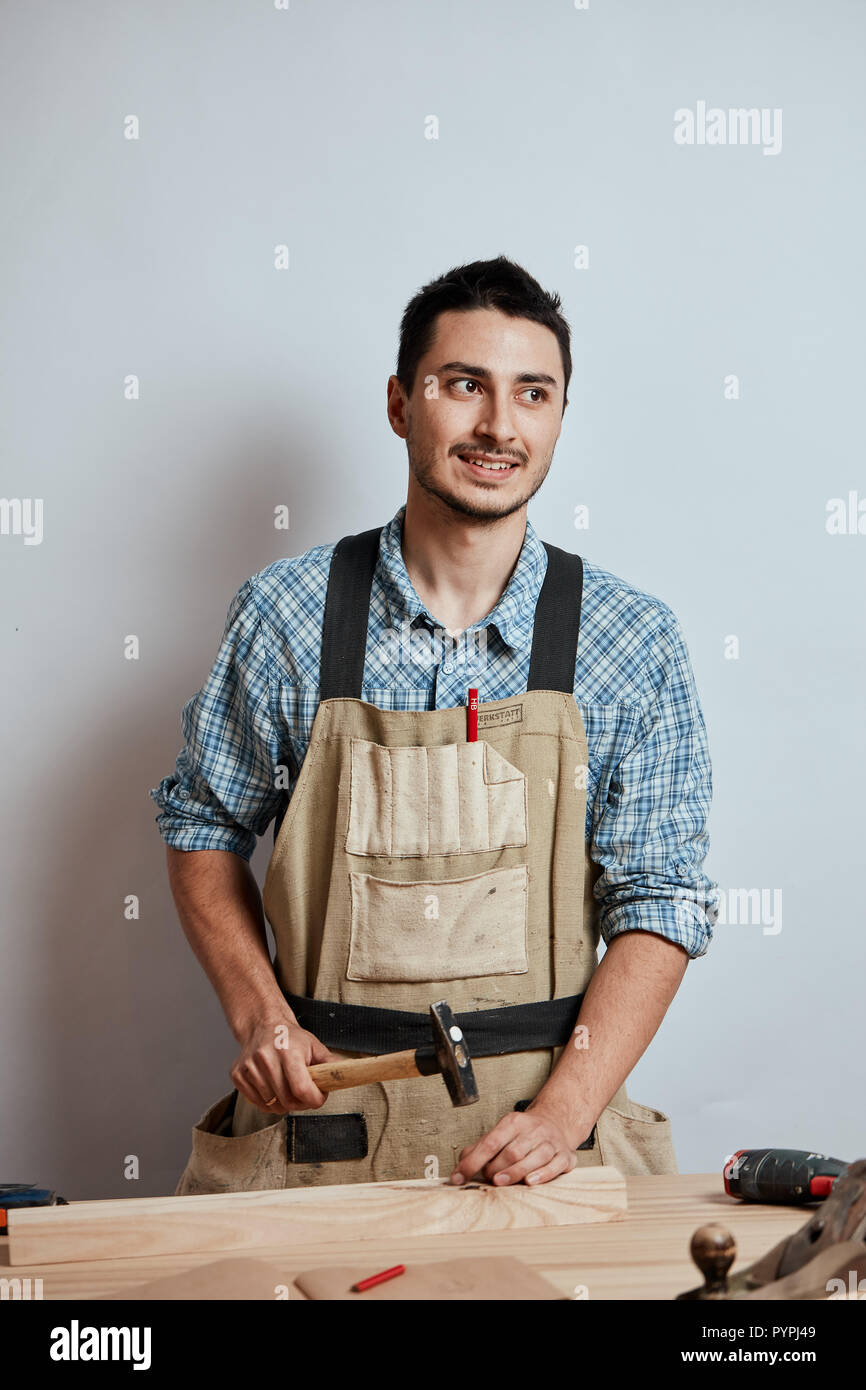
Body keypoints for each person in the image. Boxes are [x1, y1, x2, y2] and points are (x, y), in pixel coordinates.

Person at [149, 255, 718, 1196]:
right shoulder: (287, 615)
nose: (499, 426)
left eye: (532, 394)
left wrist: (564, 1114)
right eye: (465, 386)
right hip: (318, 1134)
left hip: (539, 1144)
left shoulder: (630, 638)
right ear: (400, 403)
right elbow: (201, 828)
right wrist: (261, 1018)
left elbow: (660, 903)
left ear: (560, 416)